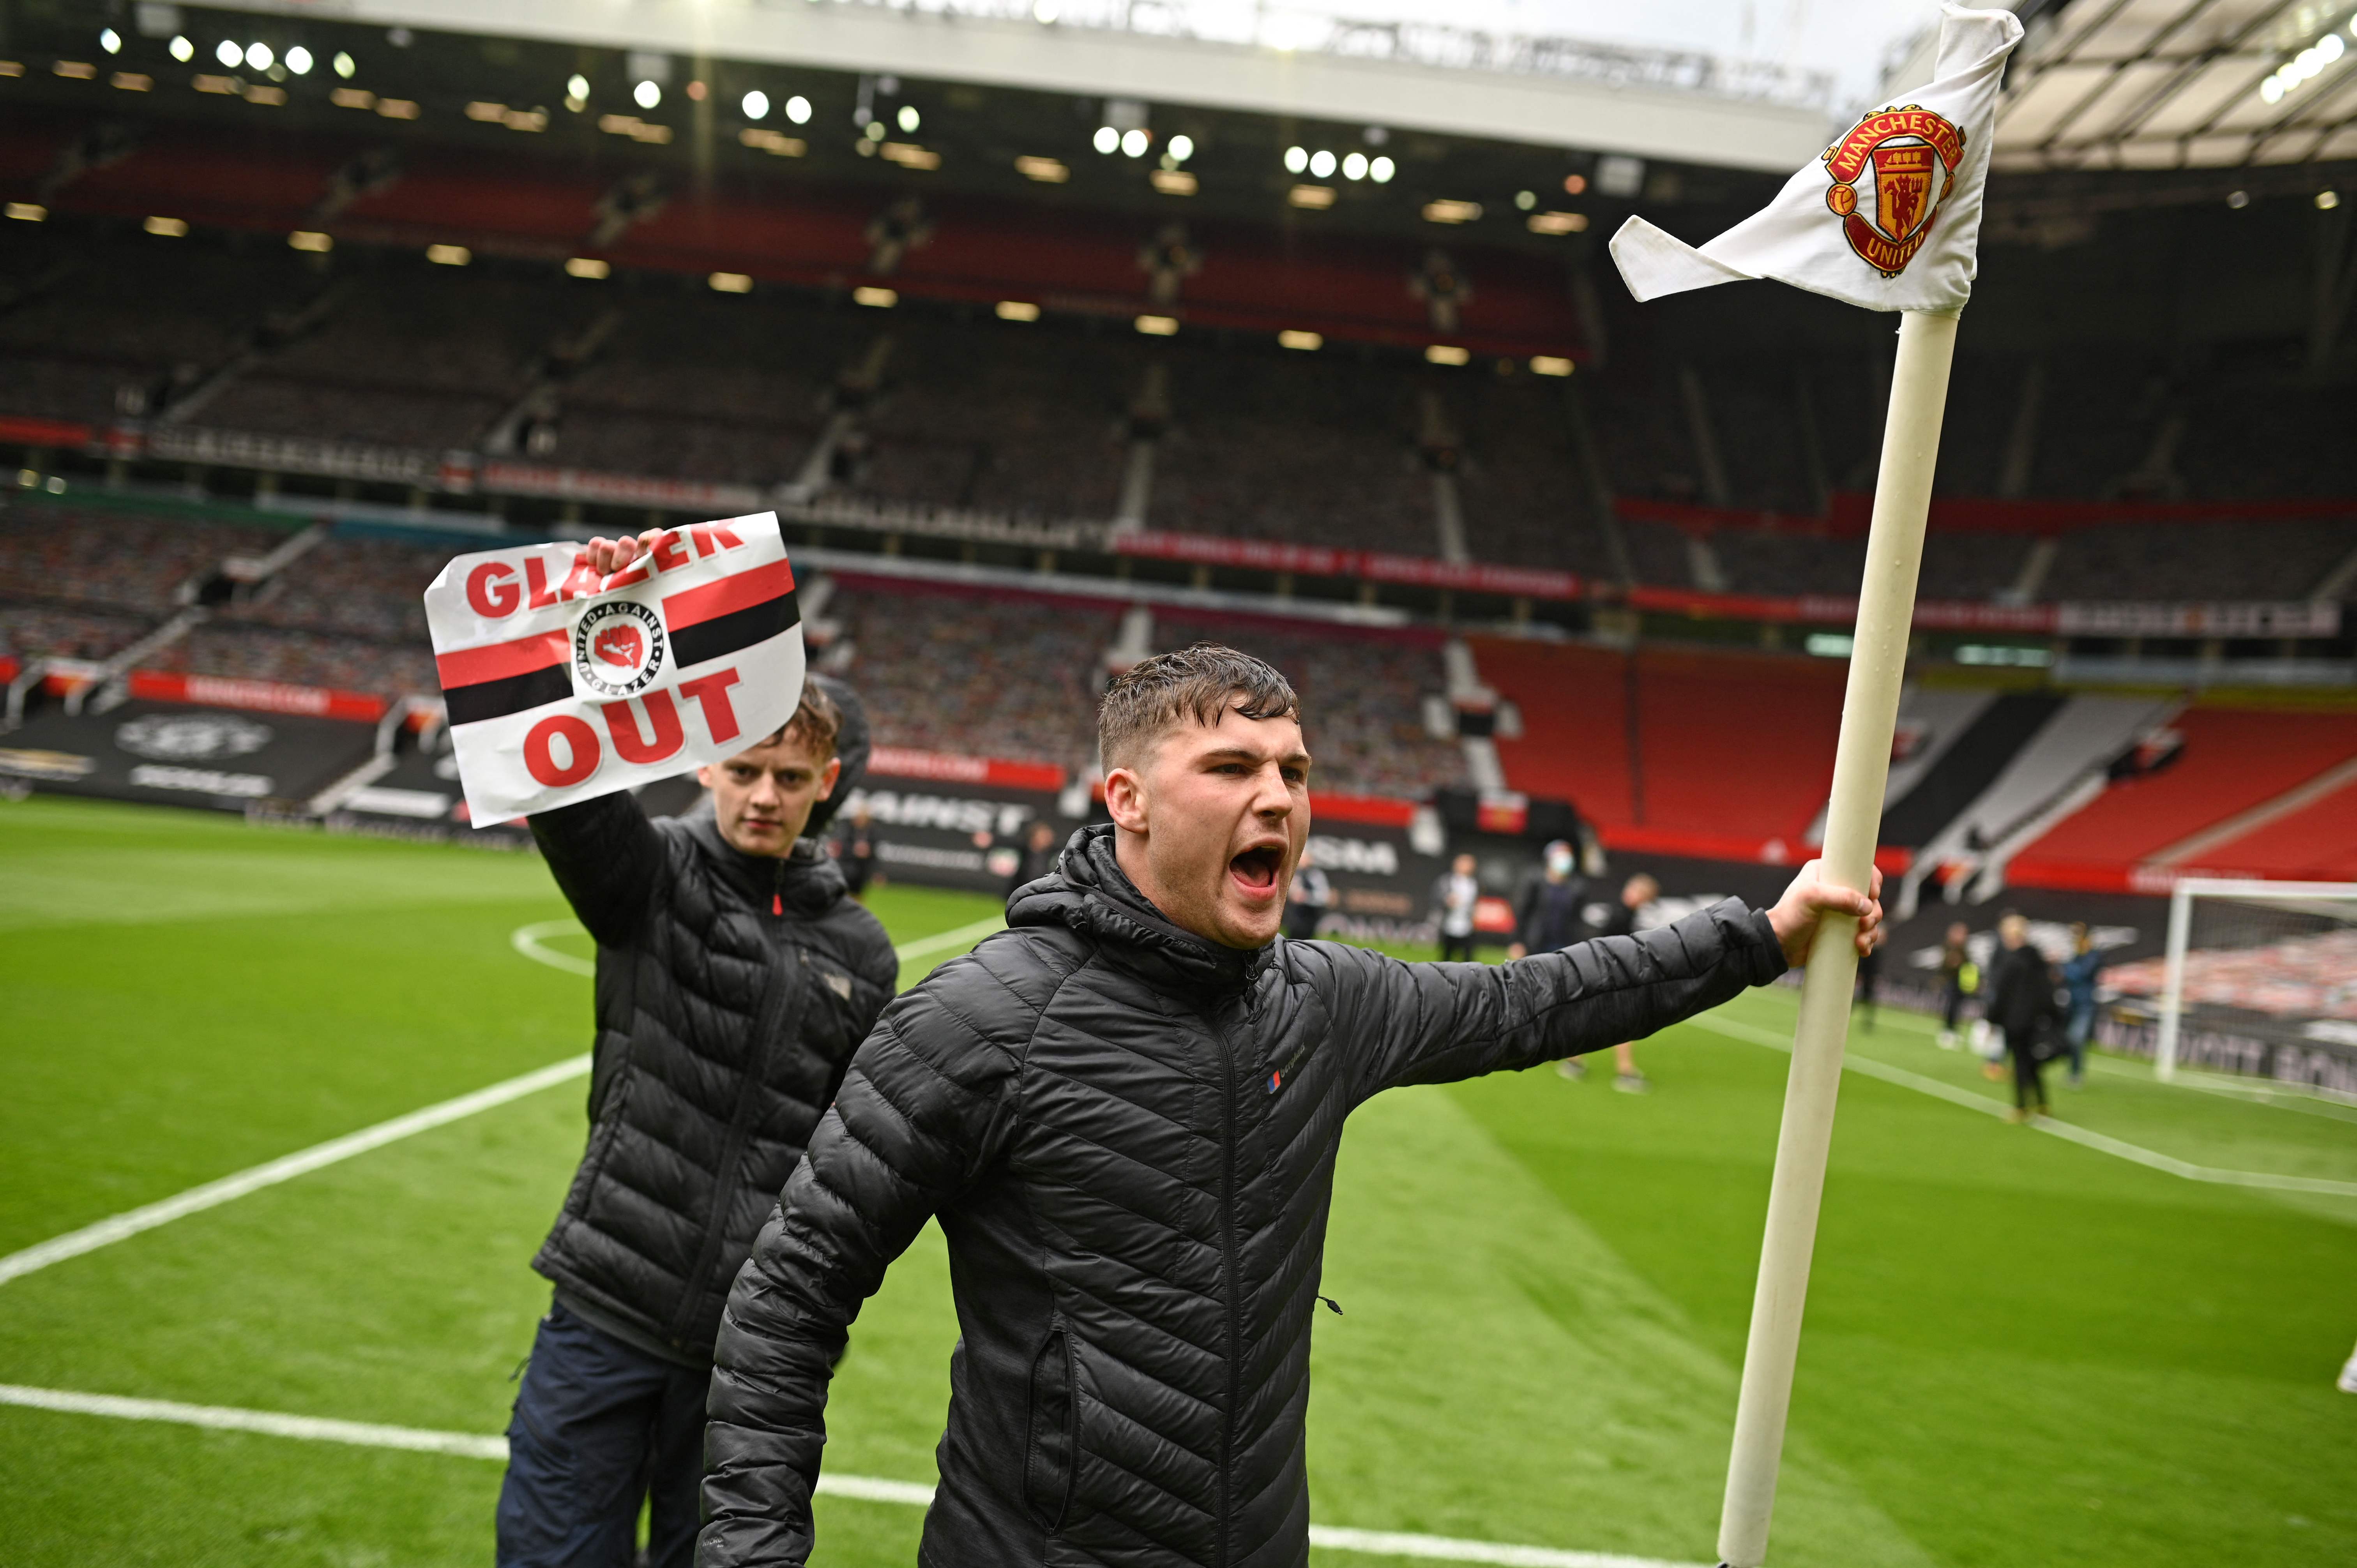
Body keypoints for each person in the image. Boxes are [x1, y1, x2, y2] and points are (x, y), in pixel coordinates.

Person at [698, 643, 1883, 1567]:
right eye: (1232, 769)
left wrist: (1760, 937)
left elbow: (1536, 1004)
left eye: (1295, 773)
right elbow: (788, 1300)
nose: (1279, 798)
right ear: (1129, 797)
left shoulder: (1322, 1002)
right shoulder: (981, 1020)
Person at [495, 533, 899, 1568]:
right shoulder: (654, 877)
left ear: (827, 784)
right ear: (707, 763)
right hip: (607, 1313)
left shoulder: (864, 953)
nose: (764, 795)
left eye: (790, 776)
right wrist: (578, 630)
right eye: (747, 770)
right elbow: (564, 787)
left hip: (750, 1357)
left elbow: (855, 1160)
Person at [1564, 872, 1660, 1091]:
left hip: (1610, 975)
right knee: (1623, 1024)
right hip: (1611, 976)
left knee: (1603, 1020)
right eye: (1644, 895)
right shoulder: (1621, 915)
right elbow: (1612, 948)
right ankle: (1624, 1072)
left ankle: (1575, 1060)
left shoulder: (1625, 912)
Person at [1986, 911, 2059, 1123]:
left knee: (2019, 1062)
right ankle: (2042, 1104)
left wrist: (1992, 1021)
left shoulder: (2011, 961)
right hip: (2036, 1020)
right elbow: (2047, 991)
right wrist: (2053, 1017)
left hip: (2015, 1021)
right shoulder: (2036, 959)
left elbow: (2001, 995)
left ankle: (2021, 1107)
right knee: (2033, 1062)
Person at [1509, 838, 1586, 962]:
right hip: (1535, 942)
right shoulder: (1534, 881)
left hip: (1562, 945)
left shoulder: (1577, 887)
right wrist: (1517, 941)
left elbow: (1577, 920)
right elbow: (1522, 912)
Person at [2059, 922, 2103, 1089]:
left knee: (2076, 1038)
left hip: (2086, 1005)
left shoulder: (2093, 956)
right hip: (2071, 1004)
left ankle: (2076, 1073)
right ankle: (2073, 1070)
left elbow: (2081, 974)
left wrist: (2067, 968)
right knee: (2068, 1039)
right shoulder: (2075, 956)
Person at [1431, 851, 1481, 963]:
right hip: (1448, 925)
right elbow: (1436, 898)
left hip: (1467, 927)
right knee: (1446, 957)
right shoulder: (1446, 881)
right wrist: (1447, 901)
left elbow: (1474, 904)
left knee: (1468, 958)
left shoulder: (1474, 884)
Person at [1935, 920, 1975, 1049]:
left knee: (1958, 1007)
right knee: (1951, 1006)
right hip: (1951, 981)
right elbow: (1946, 966)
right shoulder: (1949, 947)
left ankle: (1953, 1030)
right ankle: (1947, 1031)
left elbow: (1967, 965)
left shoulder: (1964, 949)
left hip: (1962, 983)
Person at [1283, 841, 1334, 941]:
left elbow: (1324, 897)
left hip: (1310, 918)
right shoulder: (1296, 873)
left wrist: (1306, 897)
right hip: (1295, 919)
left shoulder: (1315, 876)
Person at [832, 802, 878, 901]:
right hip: (847, 868)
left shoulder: (872, 833)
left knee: (858, 896)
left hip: (862, 870)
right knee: (843, 894)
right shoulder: (848, 830)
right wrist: (855, 850)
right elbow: (841, 847)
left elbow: (874, 854)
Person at [1007, 817, 1062, 898]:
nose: (1049, 839)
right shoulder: (1024, 850)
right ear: (1034, 837)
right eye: (1044, 836)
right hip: (1021, 890)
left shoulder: (1054, 853)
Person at [1853, 934, 1883, 1034]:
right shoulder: (1872, 951)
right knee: (1860, 1000)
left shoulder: (1878, 951)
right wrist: (1860, 974)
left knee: (1867, 1002)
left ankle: (1868, 1023)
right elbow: (1865, 964)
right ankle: (1846, 1014)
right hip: (1867, 980)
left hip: (1869, 981)